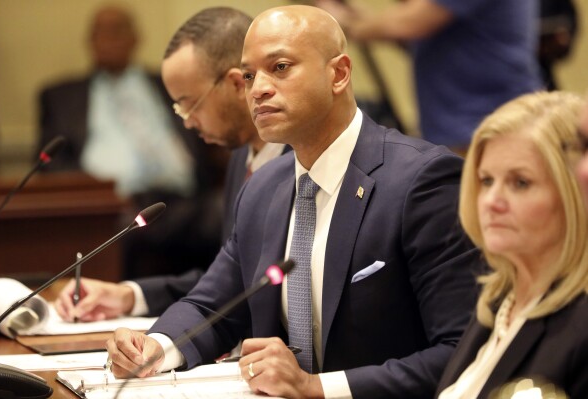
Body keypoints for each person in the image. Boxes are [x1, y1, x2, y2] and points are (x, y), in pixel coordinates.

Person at [105, 6, 482, 399]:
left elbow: (459, 353)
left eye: (280, 67)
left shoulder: (423, 182)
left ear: (338, 74)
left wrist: (315, 387)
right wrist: (155, 347)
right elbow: (210, 308)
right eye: (249, 75)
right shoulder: (263, 188)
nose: (258, 89)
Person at [55, 7, 288, 322]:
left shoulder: (301, 161)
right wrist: (129, 296)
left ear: (235, 84)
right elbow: (229, 284)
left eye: (191, 104)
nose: (188, 123)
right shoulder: (240, 160)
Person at [37, 5, 224, 278]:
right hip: (116, 206)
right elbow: (49, 166)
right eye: (102, 33)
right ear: (90, 41)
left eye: (118, 31)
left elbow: (204, 130)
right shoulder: (62, 97)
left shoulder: (165, 83)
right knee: (121, 230)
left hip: (185, 200)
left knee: (227, 211)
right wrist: (99, 196)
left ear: (136, 38)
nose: (110, 40)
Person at [435, 91, 588, 399]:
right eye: (486, 180)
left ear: (574, 194)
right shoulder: (497, 302)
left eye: (520, 183)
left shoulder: (580, 326)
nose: (492, 202)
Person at [316, 0, 542, 152]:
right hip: (462, 126)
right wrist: (355, 20)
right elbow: (415, 35)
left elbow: (411, 23)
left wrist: (344, 23)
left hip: (489, 127)